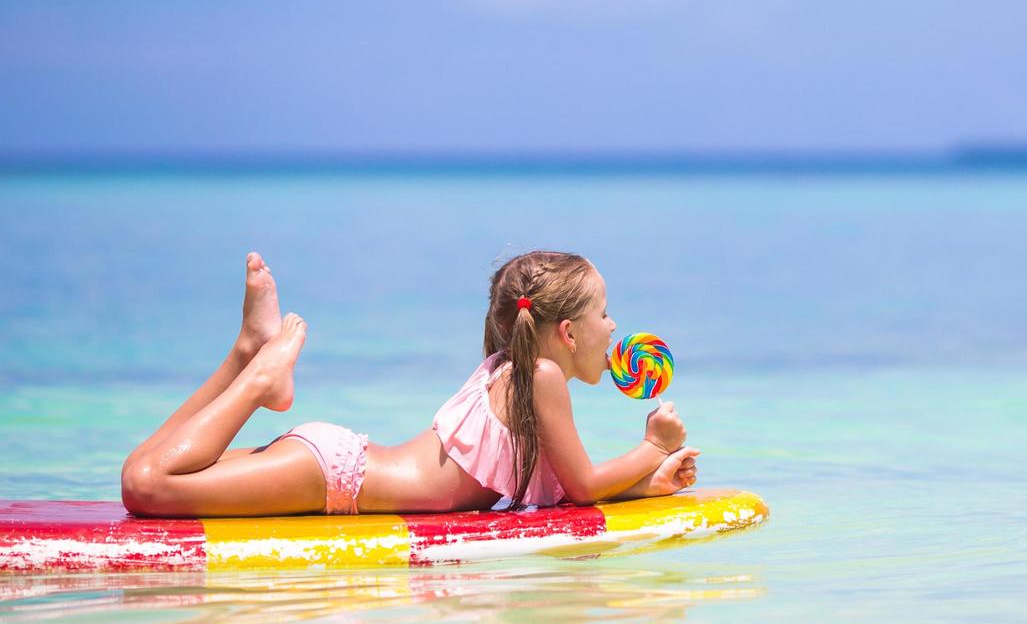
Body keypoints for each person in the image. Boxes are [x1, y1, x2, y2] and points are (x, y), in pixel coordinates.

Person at [120, 251, 699, 517]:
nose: (616, 326)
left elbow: (571, 487)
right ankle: (258, 376)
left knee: (145, 468)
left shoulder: (519, 368)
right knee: (147, 487)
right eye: (605, 313)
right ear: (570, 333)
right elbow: (582, 488)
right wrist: (654, 446)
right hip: (337, 477)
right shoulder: (542, 377)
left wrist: (648, 484)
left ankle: (246, 354)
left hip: (335, 465)